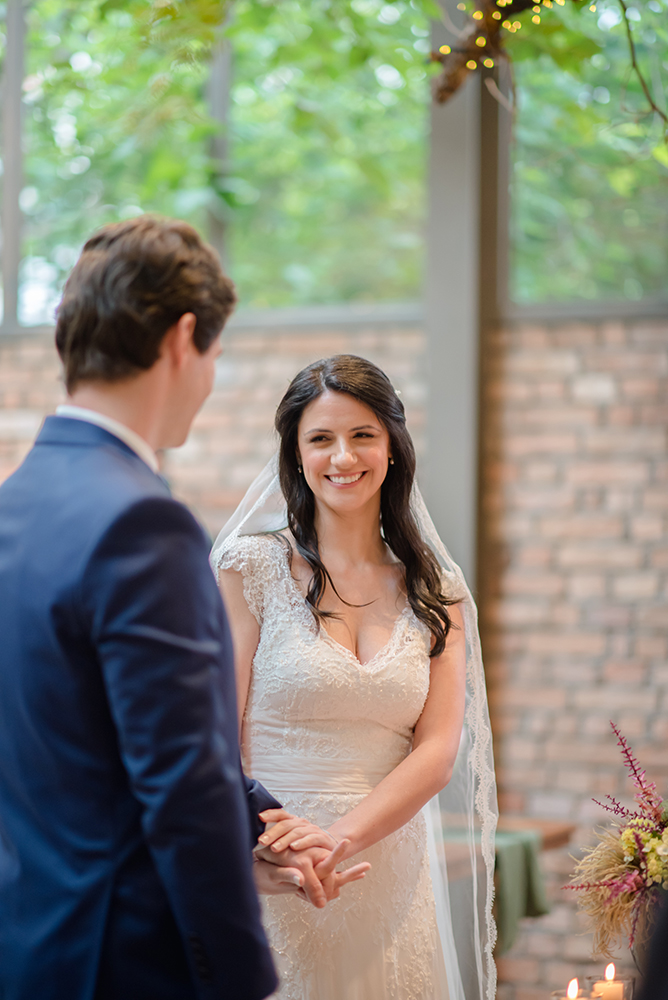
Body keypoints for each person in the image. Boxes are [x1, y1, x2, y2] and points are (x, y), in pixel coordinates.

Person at [0, 217, 358, 1000]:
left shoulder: (14, 505)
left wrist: (257, 819)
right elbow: (180, 781)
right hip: (124, 958)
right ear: (182, 339)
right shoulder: (142, 523)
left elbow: (90, 734)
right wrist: (240, 979)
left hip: (31, 943)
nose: (210, 380)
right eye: (216, 357)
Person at [212, 355, 498, 1000]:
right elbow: (213, 737)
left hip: (386, 868)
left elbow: (438, 750)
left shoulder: (436, 589)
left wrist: (338, 840)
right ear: (296, 455)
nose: (344, 457)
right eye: (321, 438)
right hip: (275, 859)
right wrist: (257, 853)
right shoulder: (248, 568)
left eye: (362, 435)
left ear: (392, 445)